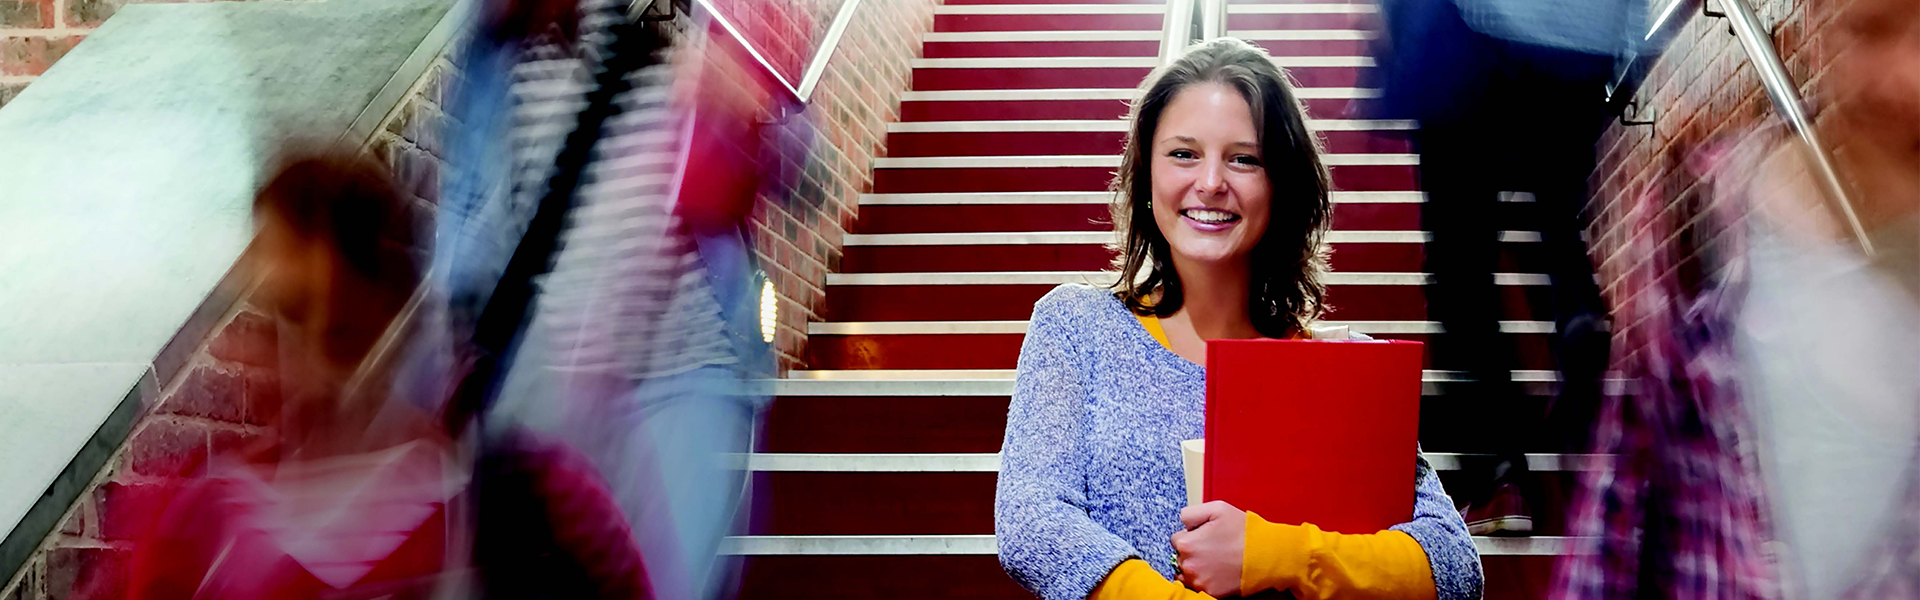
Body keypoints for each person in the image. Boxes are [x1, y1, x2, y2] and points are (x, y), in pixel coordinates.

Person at [993, 38, 1482, 600]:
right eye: (1183, 153)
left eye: (1244, 158)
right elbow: (1032, 521)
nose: (1210, 183)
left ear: (1281, 184)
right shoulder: (1077, 325)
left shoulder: (1339, 364)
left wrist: (1275, 555)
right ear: (1145, 174)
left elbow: (1454, 566)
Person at [1370, 0, 1644, 536]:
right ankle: (1576, 317)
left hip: (1470, 41)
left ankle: (1498, 476)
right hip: (1580, 42)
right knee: (1556, 215)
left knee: (1461, 266)